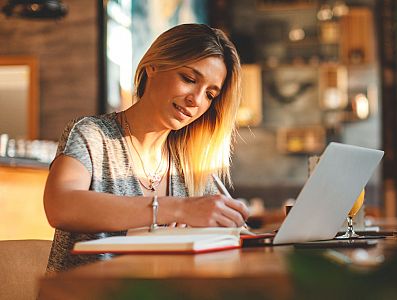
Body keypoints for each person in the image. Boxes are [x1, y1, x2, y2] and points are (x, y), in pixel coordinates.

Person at [43, 24, 249, 272]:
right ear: (154, 66)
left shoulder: (191, 165)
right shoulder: (93, 135)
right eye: (189, 79)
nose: (196, 100)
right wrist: (178, 210)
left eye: (210, 94)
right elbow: (60, 206)